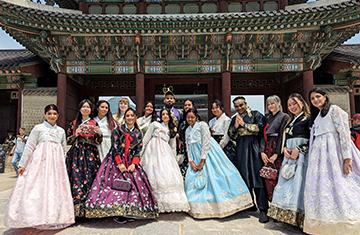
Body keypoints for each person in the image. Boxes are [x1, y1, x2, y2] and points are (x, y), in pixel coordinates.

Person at [4, 104, 74, 230]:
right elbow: (29, 146)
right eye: (49, 113)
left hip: (56, 165)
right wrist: (22, 165)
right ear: (45, 114)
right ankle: (35, 216)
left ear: (58, 115)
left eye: (54, 114)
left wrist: (62, 164)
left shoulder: (61, 131)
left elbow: (63, 149)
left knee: (54, 189)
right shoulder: (38, 128)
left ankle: (54, 216)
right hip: (40, 164)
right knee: (38, 188)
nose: (52, 116)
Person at [84, 108, 158, 223]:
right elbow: (114, 147)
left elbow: (138, 149)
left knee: (134, 184)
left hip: (131, 160)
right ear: (125, 117)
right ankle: (117, 211)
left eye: (132, 115)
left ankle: (132, 210)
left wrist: (134, 164)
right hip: (116, 159)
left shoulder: (138, 133)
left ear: (135, 117)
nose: (129, 118)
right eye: (127, 115)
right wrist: (119, 164)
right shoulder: (117, 130)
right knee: (115, 185)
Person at [304, 88, 360, 234]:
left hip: (333, 150)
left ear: (325, 96)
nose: (315, 100)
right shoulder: (317, 115)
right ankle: (324, 221)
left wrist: (347, 157)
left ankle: (348, 221)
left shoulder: (334, 109)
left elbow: (344, 132)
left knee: (340, 183)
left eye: (318, 97)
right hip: (320, 153)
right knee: (322, 185)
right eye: (312, 99)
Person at [184, 108, 253, 219]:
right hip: (195, 157)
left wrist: (202, 160)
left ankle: (224, 205)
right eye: (188, 117)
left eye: (192, 117)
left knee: (217, 177)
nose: (190, 119)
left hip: (208, 155)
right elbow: (188, 146)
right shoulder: (187, 130)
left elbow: (206, 142)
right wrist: (191, 161)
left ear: (197, 117)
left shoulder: (202, 125)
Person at [267, 93, 310, 228]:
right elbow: (285, 138)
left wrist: (300, 149)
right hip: (289, 156)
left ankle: (301, 218)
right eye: (290, 105)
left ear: (302, 103)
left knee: (299, 185)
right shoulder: (290, 120)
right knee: (286, 185)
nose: (292, 107)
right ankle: (287, 217)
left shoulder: (308, 118)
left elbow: (314, 138)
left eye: (295, 103)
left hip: (302, 156)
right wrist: (284, 148)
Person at [227, 96, 269, 223]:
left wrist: (244, 125)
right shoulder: (234, 118)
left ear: (245, 104)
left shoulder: (255, 114)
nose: (239, 108)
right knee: (243, 175)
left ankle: (263, 209)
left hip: (254, 147)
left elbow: (261, 129)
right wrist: (235, 127)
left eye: (241, 105)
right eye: (236, 106)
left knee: (257, 176)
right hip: (240, 148)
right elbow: (231, 135)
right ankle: (250, 204)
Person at [140, 109, 190, 213]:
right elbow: (146, 139)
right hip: (152, 151)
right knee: (152, 173)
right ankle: (151, 202)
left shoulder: (172, 129)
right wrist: (140, 153)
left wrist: (174, 159)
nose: (165, 116)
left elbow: (173, 146)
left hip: (165, 153)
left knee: (165, 174)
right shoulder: (154, 124)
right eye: (163, 114)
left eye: (167, 114)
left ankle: (166, 203)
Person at [66, 99, 102, 217]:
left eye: (88, 107)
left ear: (91, 110)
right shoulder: (74, 123)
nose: (86, 109)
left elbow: (98, 141)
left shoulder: (94, 123)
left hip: (91, 154)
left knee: (91, 178)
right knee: (77, 179)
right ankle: (77, 211)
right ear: (80, 109)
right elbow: (68, 141)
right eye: (83, 107)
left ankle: (90, 209)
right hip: (76, 154)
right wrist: (76, 134)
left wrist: (99, 134)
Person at [260, 95, 289, 201]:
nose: (270, 106)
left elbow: (282, 135)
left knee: (277, 176)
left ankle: (279, 202)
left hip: (277, 147)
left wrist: (277, 153)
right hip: (267, 147)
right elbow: (263, 135)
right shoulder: (267, 118)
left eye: (272, 103)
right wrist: (262, 151)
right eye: (268, 104)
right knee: (267, 176)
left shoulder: (284, 117)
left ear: (279, 103)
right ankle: (270, 202)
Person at [178, 99, 196, 179]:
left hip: (195, 148)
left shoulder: (196, 120)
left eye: (189, 105)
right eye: (185, 105)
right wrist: (180, 139)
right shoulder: (183, 120)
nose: (187, 107)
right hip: (185, 148)